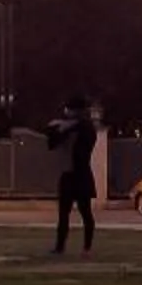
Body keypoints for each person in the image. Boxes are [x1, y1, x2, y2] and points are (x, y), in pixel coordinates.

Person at [45, 95, 97, 256]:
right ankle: (60, 247)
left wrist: (63, 126)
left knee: (85, 212)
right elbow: (51, 142)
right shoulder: (70, 127)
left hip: (80, 174)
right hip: (69, 174)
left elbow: (81, 131)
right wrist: (60, 127)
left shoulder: (85, 128)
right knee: (64, 213)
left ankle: (86, 248)